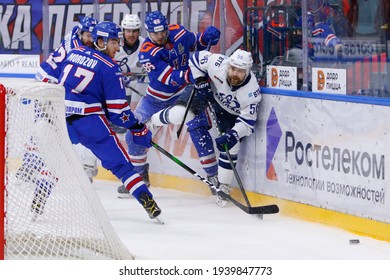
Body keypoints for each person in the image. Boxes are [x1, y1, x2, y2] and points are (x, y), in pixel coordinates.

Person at [59, 21, 162, 220]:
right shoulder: (110, 67)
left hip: (61, 118)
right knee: (121, 165)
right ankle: (147, 202)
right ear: (100, 41)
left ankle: (38, 199)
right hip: (90, 123)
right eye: (114, 42)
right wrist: (139, 128)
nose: (118, 47)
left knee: (54, 160)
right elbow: (119, 112)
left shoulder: (73, 53)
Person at [117, 11, 221, 197]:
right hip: (156, 99)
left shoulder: (178, 32)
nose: (159, 36)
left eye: (162, 31)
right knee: (134, 134)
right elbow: (168, 77)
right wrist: (191, 75)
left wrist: (205, 37)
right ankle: (140, 176)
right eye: (155, 33)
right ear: (148, 32)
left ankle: (214, 179)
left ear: (166, 28)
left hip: (184, 94)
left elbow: (196, 42)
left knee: (199, 129)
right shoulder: (147, 51)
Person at [150, 49, 262, 206]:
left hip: (229, 113)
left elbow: (248, 122)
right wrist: (201, 79)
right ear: (229, 65)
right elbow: (195, 58)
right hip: (206, 92)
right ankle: (152, 122)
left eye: (240, 71)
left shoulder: (252, 92)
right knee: (180, 114)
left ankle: (222, 189)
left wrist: (233, 134)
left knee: (231, 146)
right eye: (233, 68)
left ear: (248, 71)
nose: (235, 73)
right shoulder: (218, 63)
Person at [35, 16, 100, 183]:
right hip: (49, 87)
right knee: (52, 131)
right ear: (81, 34)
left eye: (93, 35)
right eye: (88, 35)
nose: (91, 39)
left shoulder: (73, 34)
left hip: (44, 80)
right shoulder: (78, 51)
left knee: (45, 129)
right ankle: (40, 167)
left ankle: (31, 165)